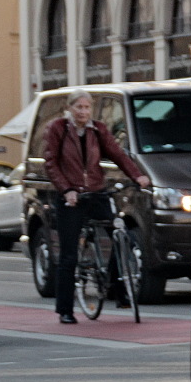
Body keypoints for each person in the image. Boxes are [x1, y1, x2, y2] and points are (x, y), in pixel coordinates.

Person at [44, 89, 151, 324]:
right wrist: (66, 190)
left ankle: (119, 290)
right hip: (71, 197)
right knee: (69, 254)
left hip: (96, 192)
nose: (83, 112)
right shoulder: (58, 129)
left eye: (87, 107)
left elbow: (118, 154)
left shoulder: (98, 130)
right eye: (79, 107)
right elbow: (51, 163)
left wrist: (137, 176)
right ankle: (65, 310)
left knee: (119, 235)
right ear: (70, 108)